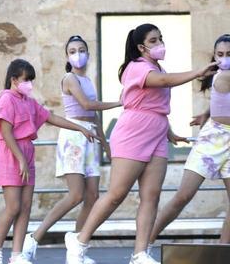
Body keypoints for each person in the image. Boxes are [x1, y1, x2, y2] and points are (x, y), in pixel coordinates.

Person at [65, 24, 217, 264]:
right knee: (116, 194)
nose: (159, 44)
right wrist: (197, 72)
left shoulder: (157, 67)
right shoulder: (136, 68)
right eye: (153, 40)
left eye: (160, 39)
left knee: (152, 195)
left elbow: (154, 106)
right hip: (133, 134)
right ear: (141, 47)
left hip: (156, 134)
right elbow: (164, 81)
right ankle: (80, 241)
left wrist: (170, 133)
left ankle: (140, 253)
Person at [0, 59, 99, 264]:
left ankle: (17, 255)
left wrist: (80, 128)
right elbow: (5, 130)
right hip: (11, 154)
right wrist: (19, 158)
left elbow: (51, 117)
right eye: (25, 79)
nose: (29, 84)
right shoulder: (6, 99)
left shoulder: (29, 101)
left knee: (26, 206)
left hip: (27, 152)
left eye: (31, 80)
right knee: (13, 206)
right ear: (13, 79)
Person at [23, 37, 121, 262]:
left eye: (82, 50)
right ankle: (34, 237)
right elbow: (87, 106)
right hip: (74, 136)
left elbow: (94, 115)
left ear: (88, 53)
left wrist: (106, 145)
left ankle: (77, 247)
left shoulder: (88, 80)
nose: (78, 54)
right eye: (73, 51)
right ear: (67, 56)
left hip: (91, 137)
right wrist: (119, 102)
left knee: (92, 195)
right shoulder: (70, 78)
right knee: (76, 194)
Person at [148, 34, 230, 247]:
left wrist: (206, 112)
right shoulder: (222, 75)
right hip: (212, 139)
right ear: (213, 56)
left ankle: (223, 249)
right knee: (183, 196)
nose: (224, 59)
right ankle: (144, 244)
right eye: (220, 54)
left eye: (229, 54)